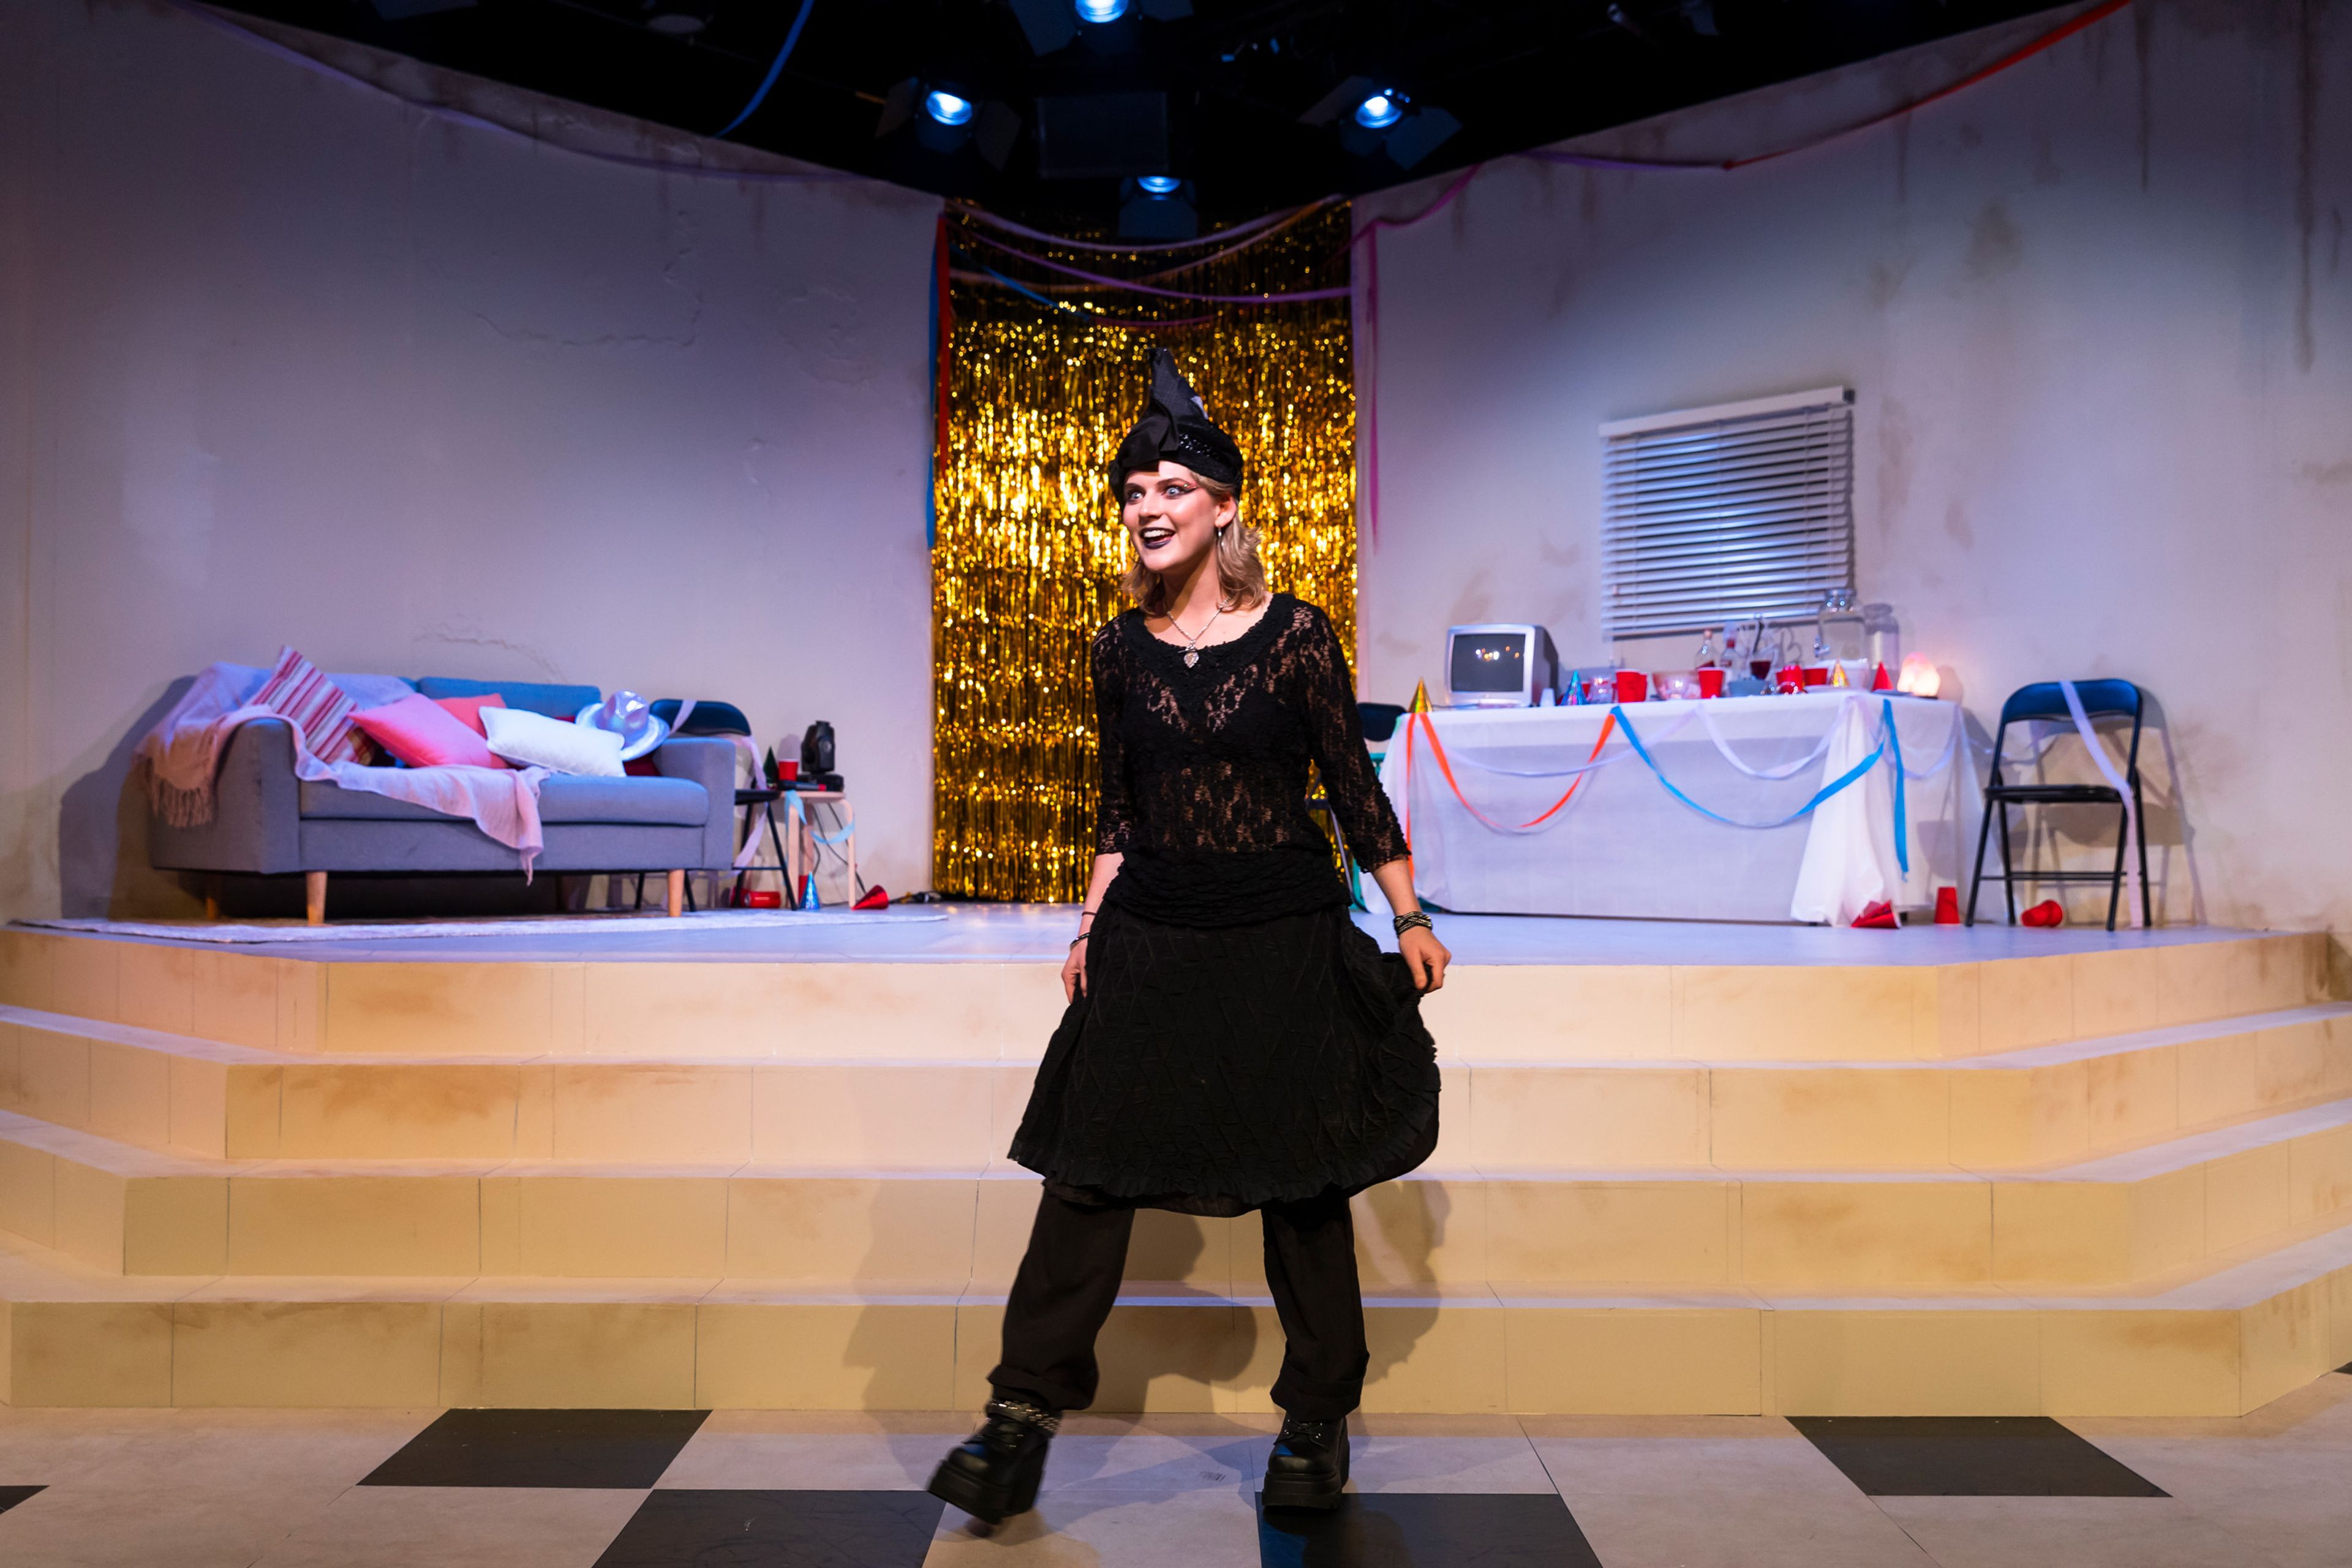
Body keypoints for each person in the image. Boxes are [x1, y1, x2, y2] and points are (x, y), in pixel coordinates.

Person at [928, 349, 1449, 1528]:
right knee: (1087, 1173)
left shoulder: (1300, 637)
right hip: (1156, 929)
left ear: (1225, 508)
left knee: (1302, 1180)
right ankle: (1017, 1425)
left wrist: (1405, 912)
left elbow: (1352, 792)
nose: (1146, 510)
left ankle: (1317, 1423)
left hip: (1283, 933)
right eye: (1132, 494)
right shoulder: (1116, 652)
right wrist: (1091, 923)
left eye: (1170, 488)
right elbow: (1117, 802)